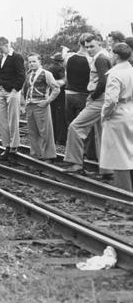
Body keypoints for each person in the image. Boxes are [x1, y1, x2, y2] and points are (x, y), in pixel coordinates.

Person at [64, 35, 112, 173]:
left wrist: (94, 96)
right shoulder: (103, 56)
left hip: (98, 99)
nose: (89, 49)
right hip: (102, 99)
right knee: (100, 133)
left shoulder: (100, 59)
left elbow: (103, 82)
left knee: (75, 126)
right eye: (87, 46)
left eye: (92, 46)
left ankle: (76, 163)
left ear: (100, 45)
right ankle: (106, 171)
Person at [99, 43, 133, 191]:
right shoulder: (131, 70)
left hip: (118, 115)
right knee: (130, 152)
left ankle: (124, 193)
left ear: (116, 56)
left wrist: (104, 114)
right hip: (130, 110)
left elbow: (111, 100)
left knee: (119, 156)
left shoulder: (115, 74)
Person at [21, 54, 60, 161]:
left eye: (34, 61)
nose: (31, 64)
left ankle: (49, 155)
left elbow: (56, 89)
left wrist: (47, 101)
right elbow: (26, 90)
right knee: (32, 131)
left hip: (41, 106)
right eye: (29, 62)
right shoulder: (28, 74)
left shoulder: (46, 74)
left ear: (40, 62)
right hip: (30, 105)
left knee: (45, 131)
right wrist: (25, 103)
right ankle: (36, 154)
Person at [0, 37, 26, 160]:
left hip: (12, 92)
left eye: (0, 48)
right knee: (1, 118)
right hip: (1, 91)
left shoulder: (17, 57)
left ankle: (14, 147)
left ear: (7, 45)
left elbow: (21, 76)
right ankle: (6, 146)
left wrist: (14, 90)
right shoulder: (1, 57)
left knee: (13, 119)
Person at [45, 52, 67, 145]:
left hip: (51, 93)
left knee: (53, 115)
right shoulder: (60, 68)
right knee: (61, 116)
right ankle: (61, 138)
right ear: (61, 61)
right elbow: (63, 81)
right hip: (60, 94)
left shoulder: (49, 68)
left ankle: (53, 136)